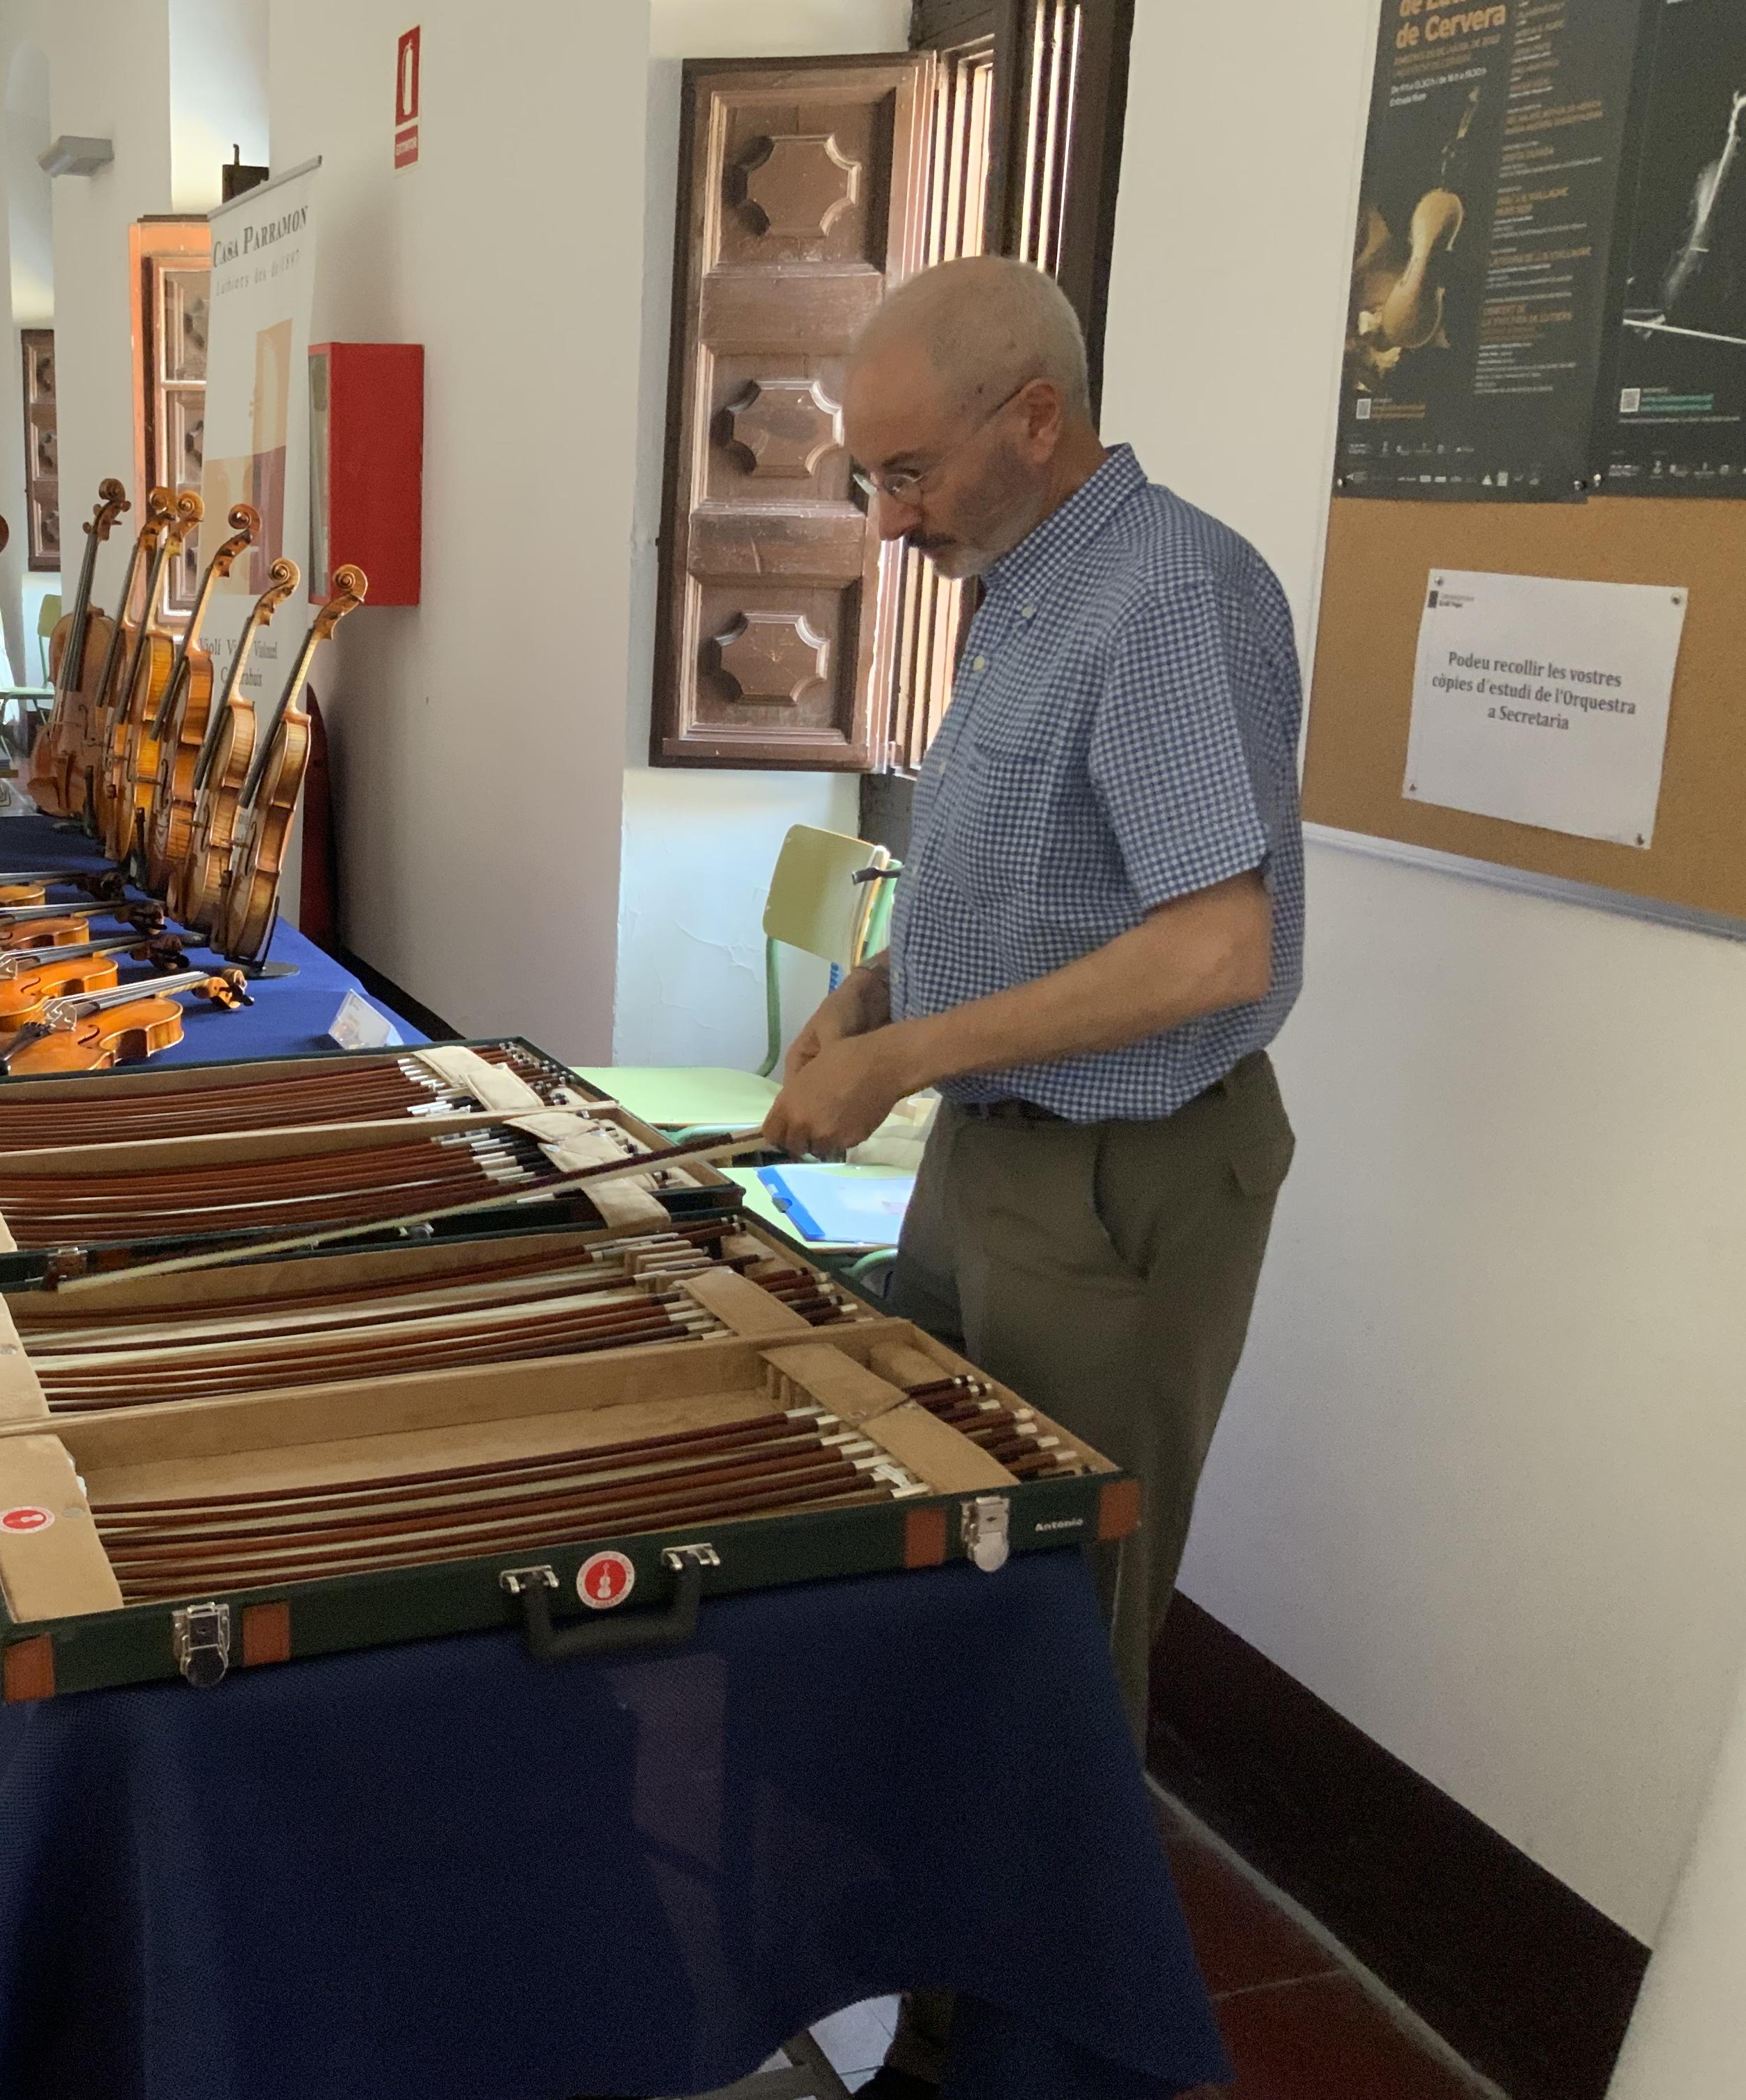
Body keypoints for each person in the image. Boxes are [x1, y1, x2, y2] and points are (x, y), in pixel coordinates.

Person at [765, 257, 1299, 2093]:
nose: (887, 519)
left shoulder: (1163, 601)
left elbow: (1208, 953)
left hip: (1122, 1183)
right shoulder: (1018, 595)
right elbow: (1025, 891)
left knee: (1058, 1650)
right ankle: (941, 1994)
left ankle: (1043, 2056)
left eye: (907, 475)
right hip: (992, 1163)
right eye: (871, 481)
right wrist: (870, 995)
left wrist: (905, 1059)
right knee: (944, 1574)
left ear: (1037, 422)